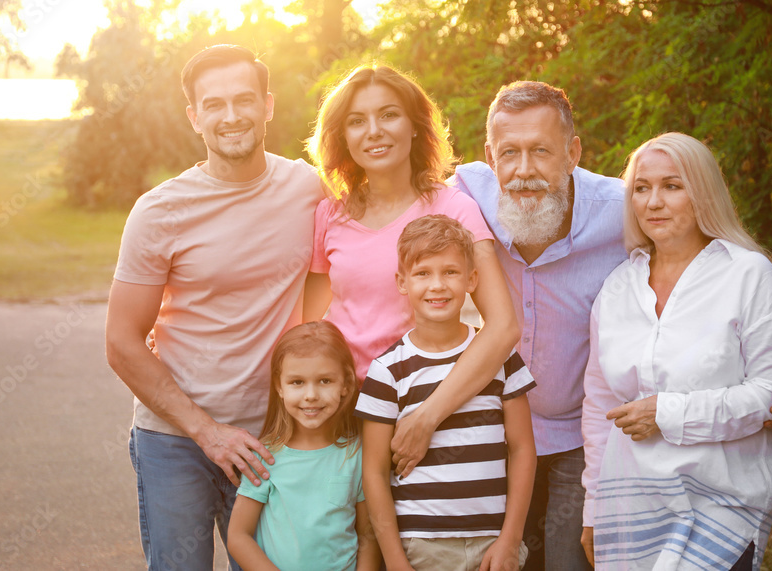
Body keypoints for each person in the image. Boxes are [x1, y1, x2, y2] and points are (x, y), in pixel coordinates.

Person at [443, 81, 772, 571]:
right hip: (498, 430)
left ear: (573, 152)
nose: (524, 170)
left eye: (541, 151)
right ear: (490, 155)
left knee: (568, 560)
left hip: (583, 440)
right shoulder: (463, 198)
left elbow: (741, 331)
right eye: (509, 152)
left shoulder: (629, 212)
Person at [105, 44, 325, 570]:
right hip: (175, 440)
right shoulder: (159, 211)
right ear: (194, 116)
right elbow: (121, 343)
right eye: (215, 104)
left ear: (268, 105)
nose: (231, 117)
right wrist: (207, 431)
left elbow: (350, 257)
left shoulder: (308, 188)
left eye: (244, 100)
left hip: (274, 437)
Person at [579, 132, 772, 569]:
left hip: (722, 506)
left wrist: (665, 412)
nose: (653, 202)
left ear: (703, 191)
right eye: (641, 188)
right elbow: (599, 407)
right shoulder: (617, 289)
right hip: (633, 510)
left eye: (672, 186)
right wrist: (594, 509)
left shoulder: (749, 275)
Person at [304, 64, 520, 477]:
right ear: (343, 137)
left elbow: (503, 326)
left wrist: (426, 417)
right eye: (356, 121)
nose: (374, 131)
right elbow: (307, 324)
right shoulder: (329, 214)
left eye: (389, 114)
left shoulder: (453, 208)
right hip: (344, 415)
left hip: (426, 411)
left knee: (419, 540)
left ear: (416, 126)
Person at [356, 215, 537, 571]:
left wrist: (510, 539)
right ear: (402, 282)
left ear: (471, 279)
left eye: (450, 272)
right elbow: (374, 474)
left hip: (493, 544)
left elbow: (522, 449)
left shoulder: (500, 358)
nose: (437, 285)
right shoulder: (387, 371)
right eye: (423, 273)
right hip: (423, 545)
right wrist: (394, 561)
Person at [226, 321, 379, 570]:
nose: (311, 395)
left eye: (325, 381)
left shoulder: (356, 454)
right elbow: (238, 536)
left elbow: (367, 536)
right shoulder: (265, 457)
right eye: (297, 382)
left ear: (346, 385)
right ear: (279, 386)